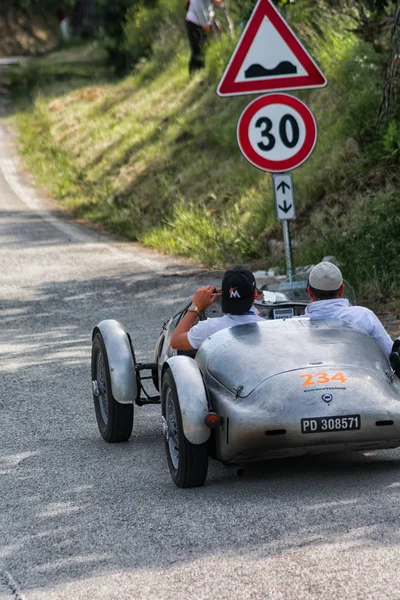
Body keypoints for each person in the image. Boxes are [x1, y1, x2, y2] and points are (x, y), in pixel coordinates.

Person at [301, 261, 398, 357]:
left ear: (310, 292)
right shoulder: (364, 316)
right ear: (341, 290)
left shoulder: (294, 326)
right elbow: (390, 354)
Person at [171, 266, 263, 351]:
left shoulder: (208, 328)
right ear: (255, 293)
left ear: (222, 294)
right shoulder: (268, 327)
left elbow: (175, 341)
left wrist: (195, 307)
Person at [185, 0, 220, 76]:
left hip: (202, 22)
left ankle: (201, 70)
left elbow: (208, 8)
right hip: (193, 23)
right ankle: (193, 74)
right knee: (197, 49)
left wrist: (213, 20)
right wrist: (205, 25)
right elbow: (198, 9)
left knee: (204, 47)